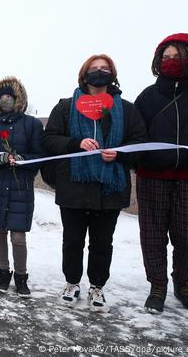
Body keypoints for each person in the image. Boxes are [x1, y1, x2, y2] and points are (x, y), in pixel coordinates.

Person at [42, 54, 147, 312]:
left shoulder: (127, 109)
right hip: (74, 187)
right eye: (94, 68)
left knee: (102, 241)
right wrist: (75, 143)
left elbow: (140, 141)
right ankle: (72, 281)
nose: (99, 72)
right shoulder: (65, 107)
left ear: (112, 73)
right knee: (72, 239)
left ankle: (97, 285)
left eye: (104, 68)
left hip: (108, 188)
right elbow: (49, 139)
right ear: (84, 74)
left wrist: (120, 152)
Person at [134, 33, 188, 314]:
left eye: (176, 56)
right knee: (153, 234)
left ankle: (182, 282)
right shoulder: (147, 96)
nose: (170, 61)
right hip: (152, 175)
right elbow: (136, 134)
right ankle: (157, 285)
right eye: (166, 57)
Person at [0, 77, 43, 297]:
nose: (5, 100)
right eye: (1, 97)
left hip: (19, 186)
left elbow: (39, 156)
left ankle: (21, 276)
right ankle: (3, 271)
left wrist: (23, 160)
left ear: (18, 98)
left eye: (9, 96)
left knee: (18, 236)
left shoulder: (32, 124)